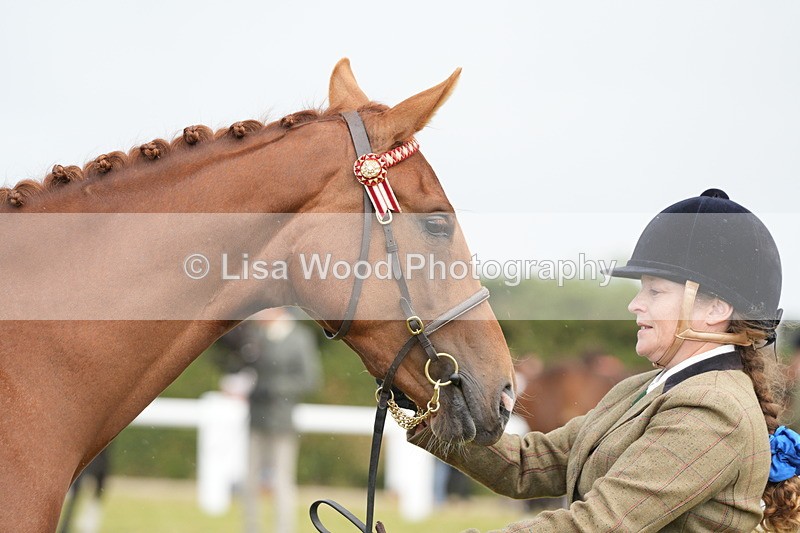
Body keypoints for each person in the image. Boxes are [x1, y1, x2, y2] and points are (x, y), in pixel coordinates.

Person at [409, 189, 800, 532]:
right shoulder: (642, 388)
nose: (635, 304)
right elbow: (529, 465)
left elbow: (599, 524)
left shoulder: (715, 410)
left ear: (715, 308)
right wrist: (422, 401)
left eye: (655, 292)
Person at [222, 308, 322, 533]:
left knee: (282, 481)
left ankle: (283, 529)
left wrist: (274, 388)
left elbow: (309, 379)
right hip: (256, 418)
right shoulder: (256, 335)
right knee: (249, 480)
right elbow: (246, 367)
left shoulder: (299, 338)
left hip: (282, 419)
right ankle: (250, 528)